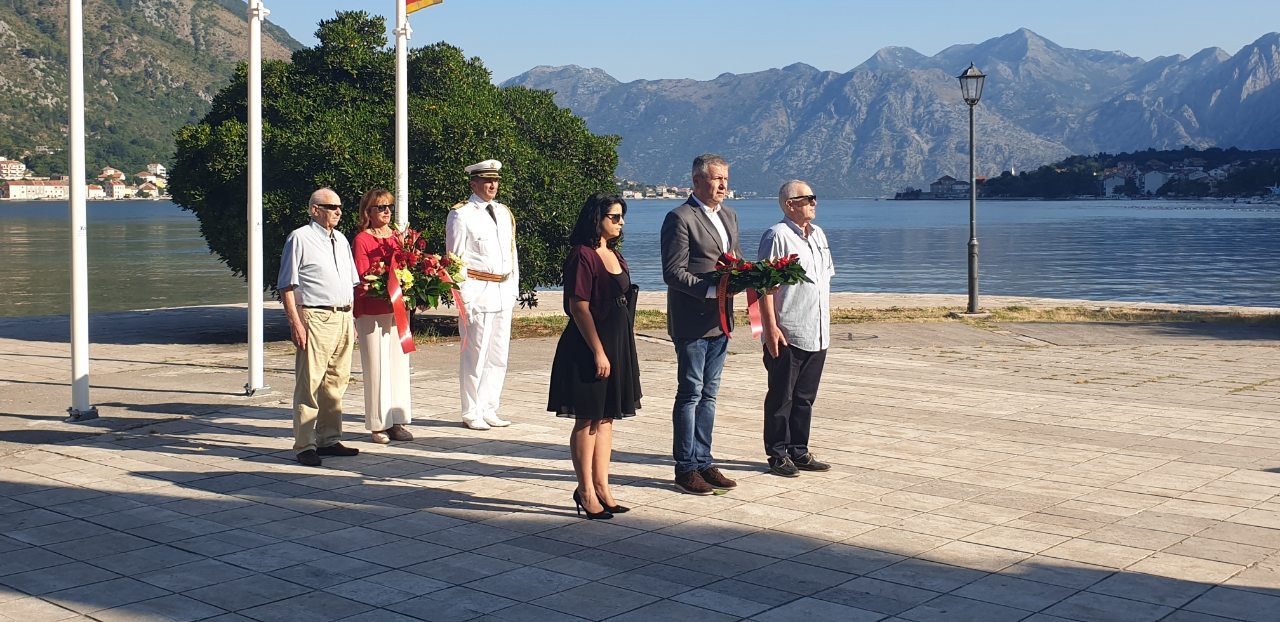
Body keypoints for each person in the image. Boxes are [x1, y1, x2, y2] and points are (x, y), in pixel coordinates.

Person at [548, 194, 641, 519]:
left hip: (617, 345)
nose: (621, 222)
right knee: (587, 418)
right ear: (596, 219)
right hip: (588, 348)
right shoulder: (582, 256)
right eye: (614, 217)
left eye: (621, 217)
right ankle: (585, 490)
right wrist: (599, 351)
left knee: (606, 418)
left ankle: (603, 487)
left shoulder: (614, 253)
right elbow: (579, 307)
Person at [660, 153, 743, 495]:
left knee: (710, 394)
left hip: (721, 321)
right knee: (691, 392)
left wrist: (751, 278)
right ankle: (685, 468)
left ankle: (704, 461)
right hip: (692, 321)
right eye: (717, 178)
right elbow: (673, 272)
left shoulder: (729, 215)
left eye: (726, 178)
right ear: (697, 181)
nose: (723, 184)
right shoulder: (679, 217)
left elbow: (734, 261)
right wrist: (711, 291)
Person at [278, 187, 361, 467]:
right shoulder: (300, 238)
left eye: (340, 207)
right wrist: (295, 322)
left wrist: (352, 318)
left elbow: (350, 282)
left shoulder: (342, 239)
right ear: (315, 210)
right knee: (310, 382)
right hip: (316, 316)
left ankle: (329, 438)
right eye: (332, 207)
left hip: (343, 316)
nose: (338, 212)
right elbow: (287, 284)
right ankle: (305, 444)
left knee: (337, 381)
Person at [758, 180, 835, 477]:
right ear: (790, 204)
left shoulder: (819, 235)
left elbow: (824, 280)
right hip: (788, 332)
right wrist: (770, 328)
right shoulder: (776, 236)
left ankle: (799, 450)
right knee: (782, 397)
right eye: (808, 198)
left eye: (815, 197)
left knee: (805, 397)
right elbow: (764, 286)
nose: (814, 202)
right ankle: (777, 454)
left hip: (817, 330)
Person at [445, 159, 520, 430]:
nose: (492, 185)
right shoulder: (461, 215)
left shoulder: (503, 212)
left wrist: (513, 290)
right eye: (487, 181)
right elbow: (455, 260)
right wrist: (464, 298)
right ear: (473, 183)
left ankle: (489, 407)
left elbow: (512, 253)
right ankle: (471, 410)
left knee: (498, 354)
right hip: (478, 291)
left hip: (502, 290)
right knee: (475, 354)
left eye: (496, 180)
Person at [351, 188, 414, 445]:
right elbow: (361, 275)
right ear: (368, 212)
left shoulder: (398, 237)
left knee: (398, 365)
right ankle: (378, 424)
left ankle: (397, 421)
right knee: (376, 367)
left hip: (397, 310)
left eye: (389, 206)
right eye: (381, 207)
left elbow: (409, 268)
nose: (387, 211)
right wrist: (382, 280)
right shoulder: (362, 239)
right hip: (371, 309)